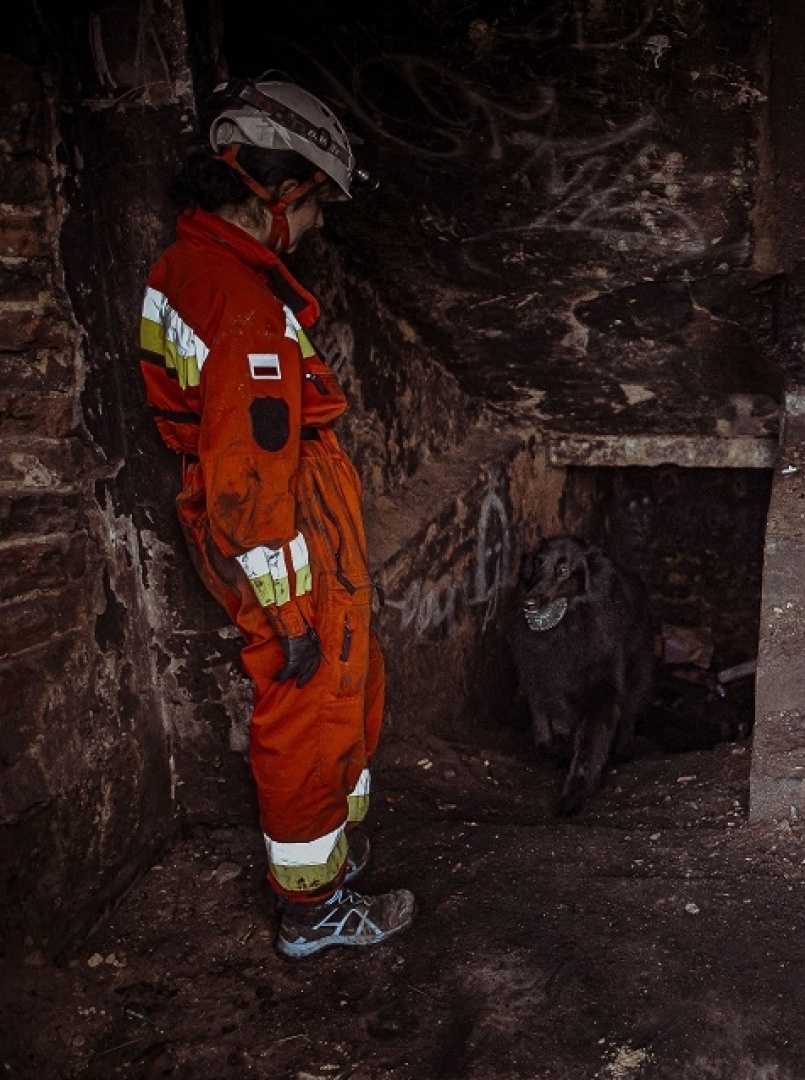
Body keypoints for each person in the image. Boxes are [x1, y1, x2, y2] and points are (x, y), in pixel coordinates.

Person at [138, 75, 414, 956]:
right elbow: (248, 480)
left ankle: (335, 853)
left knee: (349, 691)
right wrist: (292, 613)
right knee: (310, 712)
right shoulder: (247, 311)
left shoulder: (193, 268)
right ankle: (314, 912)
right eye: (319, 201)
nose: (322, 221)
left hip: (288, 522)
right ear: (280, 192)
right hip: (287, 536)